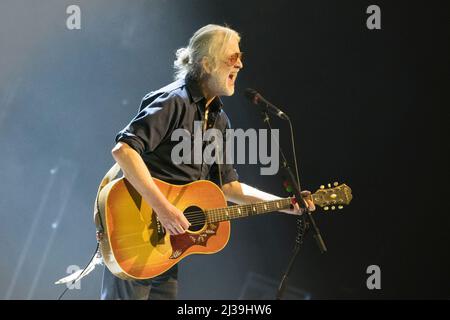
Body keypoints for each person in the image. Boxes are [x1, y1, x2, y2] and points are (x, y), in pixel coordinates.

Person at [100, 24, 315, 300]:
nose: (240, 63)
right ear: (206, 63)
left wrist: (287, 204)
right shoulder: (173, 101)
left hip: (166, 246)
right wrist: (164, 209)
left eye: (240, 56)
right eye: (232, 58)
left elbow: (229, 188)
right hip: (135, 230)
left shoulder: (218, 120)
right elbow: (124, 151)